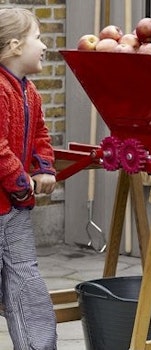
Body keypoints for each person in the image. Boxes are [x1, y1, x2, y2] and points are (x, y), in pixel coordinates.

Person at [0, 7, 57, 349]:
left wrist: (44, 168)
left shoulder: (29, 91)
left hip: (16, 213)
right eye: (38, 38)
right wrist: (22, 184)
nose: (45, 46)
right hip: (11, 201)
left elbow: (40, 135)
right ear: (15, 45)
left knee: (26, 287)